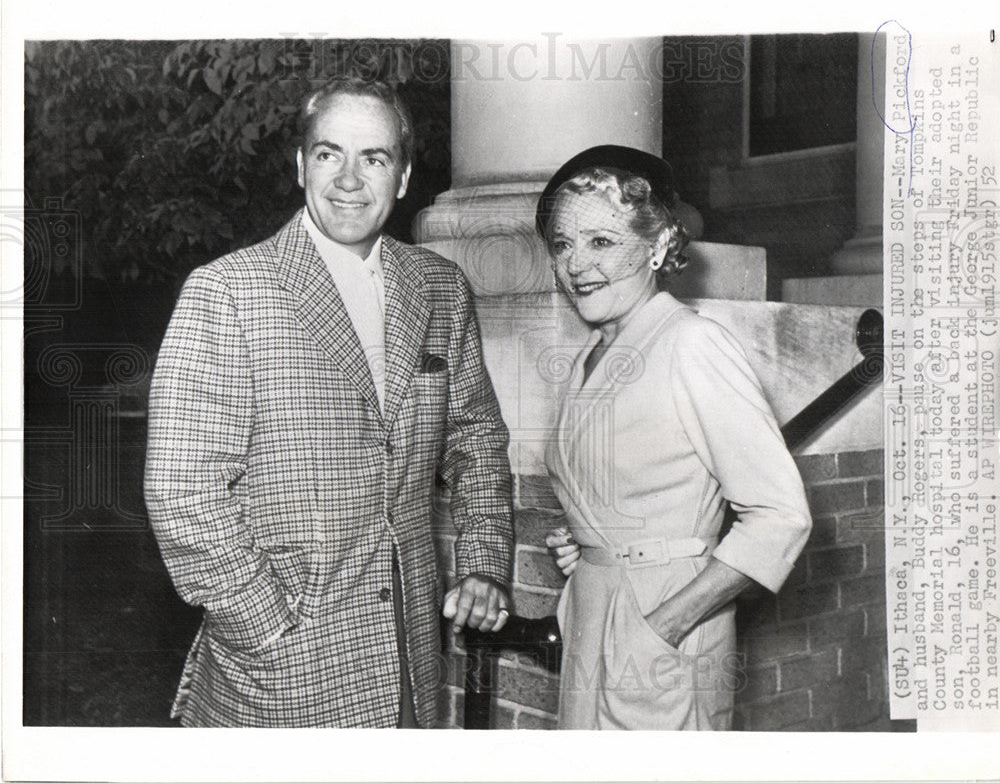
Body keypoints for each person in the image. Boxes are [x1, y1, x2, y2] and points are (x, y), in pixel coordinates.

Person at [144, 77, 514, 728]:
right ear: (300, 165)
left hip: (409, 661)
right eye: (328, 153)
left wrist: (483, 563)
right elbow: (183, 492)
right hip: (278, 675)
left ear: (401, 178)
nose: (348, 178)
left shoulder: (441, 287)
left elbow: (475, 438)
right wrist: (265, 624)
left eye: (373, 157)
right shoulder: (229, 291)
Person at [537, 145, 812, 730]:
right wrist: (592, 536)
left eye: (601, 242)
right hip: (595, 613)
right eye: (562, 244)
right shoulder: (596, 352)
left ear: (659, 245)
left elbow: (780, 515)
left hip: (664, 627)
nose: (576, 264)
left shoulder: (692, 344)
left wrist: (662, 625)